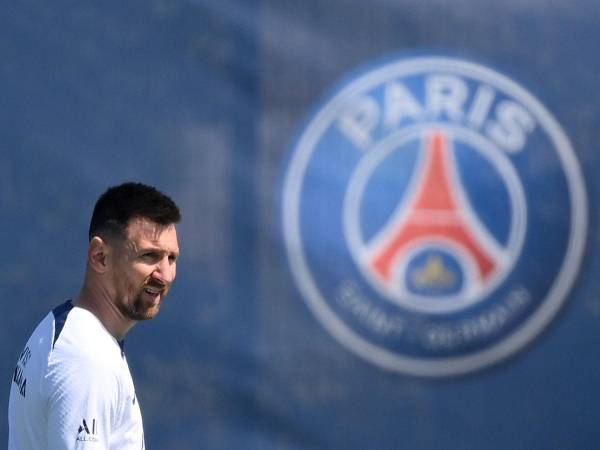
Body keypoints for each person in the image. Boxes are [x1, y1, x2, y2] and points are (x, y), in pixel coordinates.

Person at [8, 182, 181, 450]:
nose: (165, 275)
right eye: (150, 256)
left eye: (171, 258)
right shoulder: (88, 360)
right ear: (100, 257)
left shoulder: (66, 327)